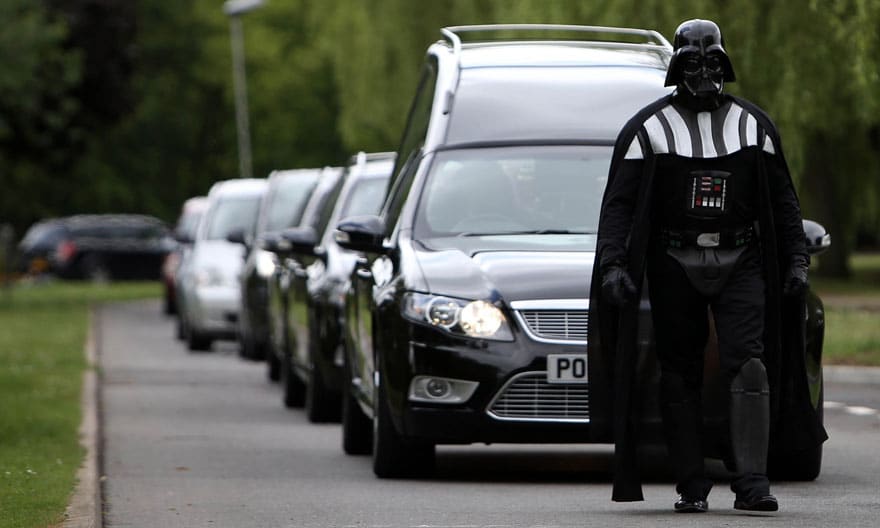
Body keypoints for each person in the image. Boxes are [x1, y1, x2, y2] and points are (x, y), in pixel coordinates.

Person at [589, 19, 827, 512]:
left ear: (725, 63)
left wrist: (796, 261)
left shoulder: (753, 127)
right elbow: (619, 207)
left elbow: (783, 203)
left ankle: (754, 484)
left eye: (711, 62)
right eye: (693, 63)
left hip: (743, 259)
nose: (703, 73)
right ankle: (691, 484)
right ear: (677, 67)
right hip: (673, 260)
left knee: (751, 363)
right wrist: (613, 265)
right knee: (678, 369)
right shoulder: (648, 130)